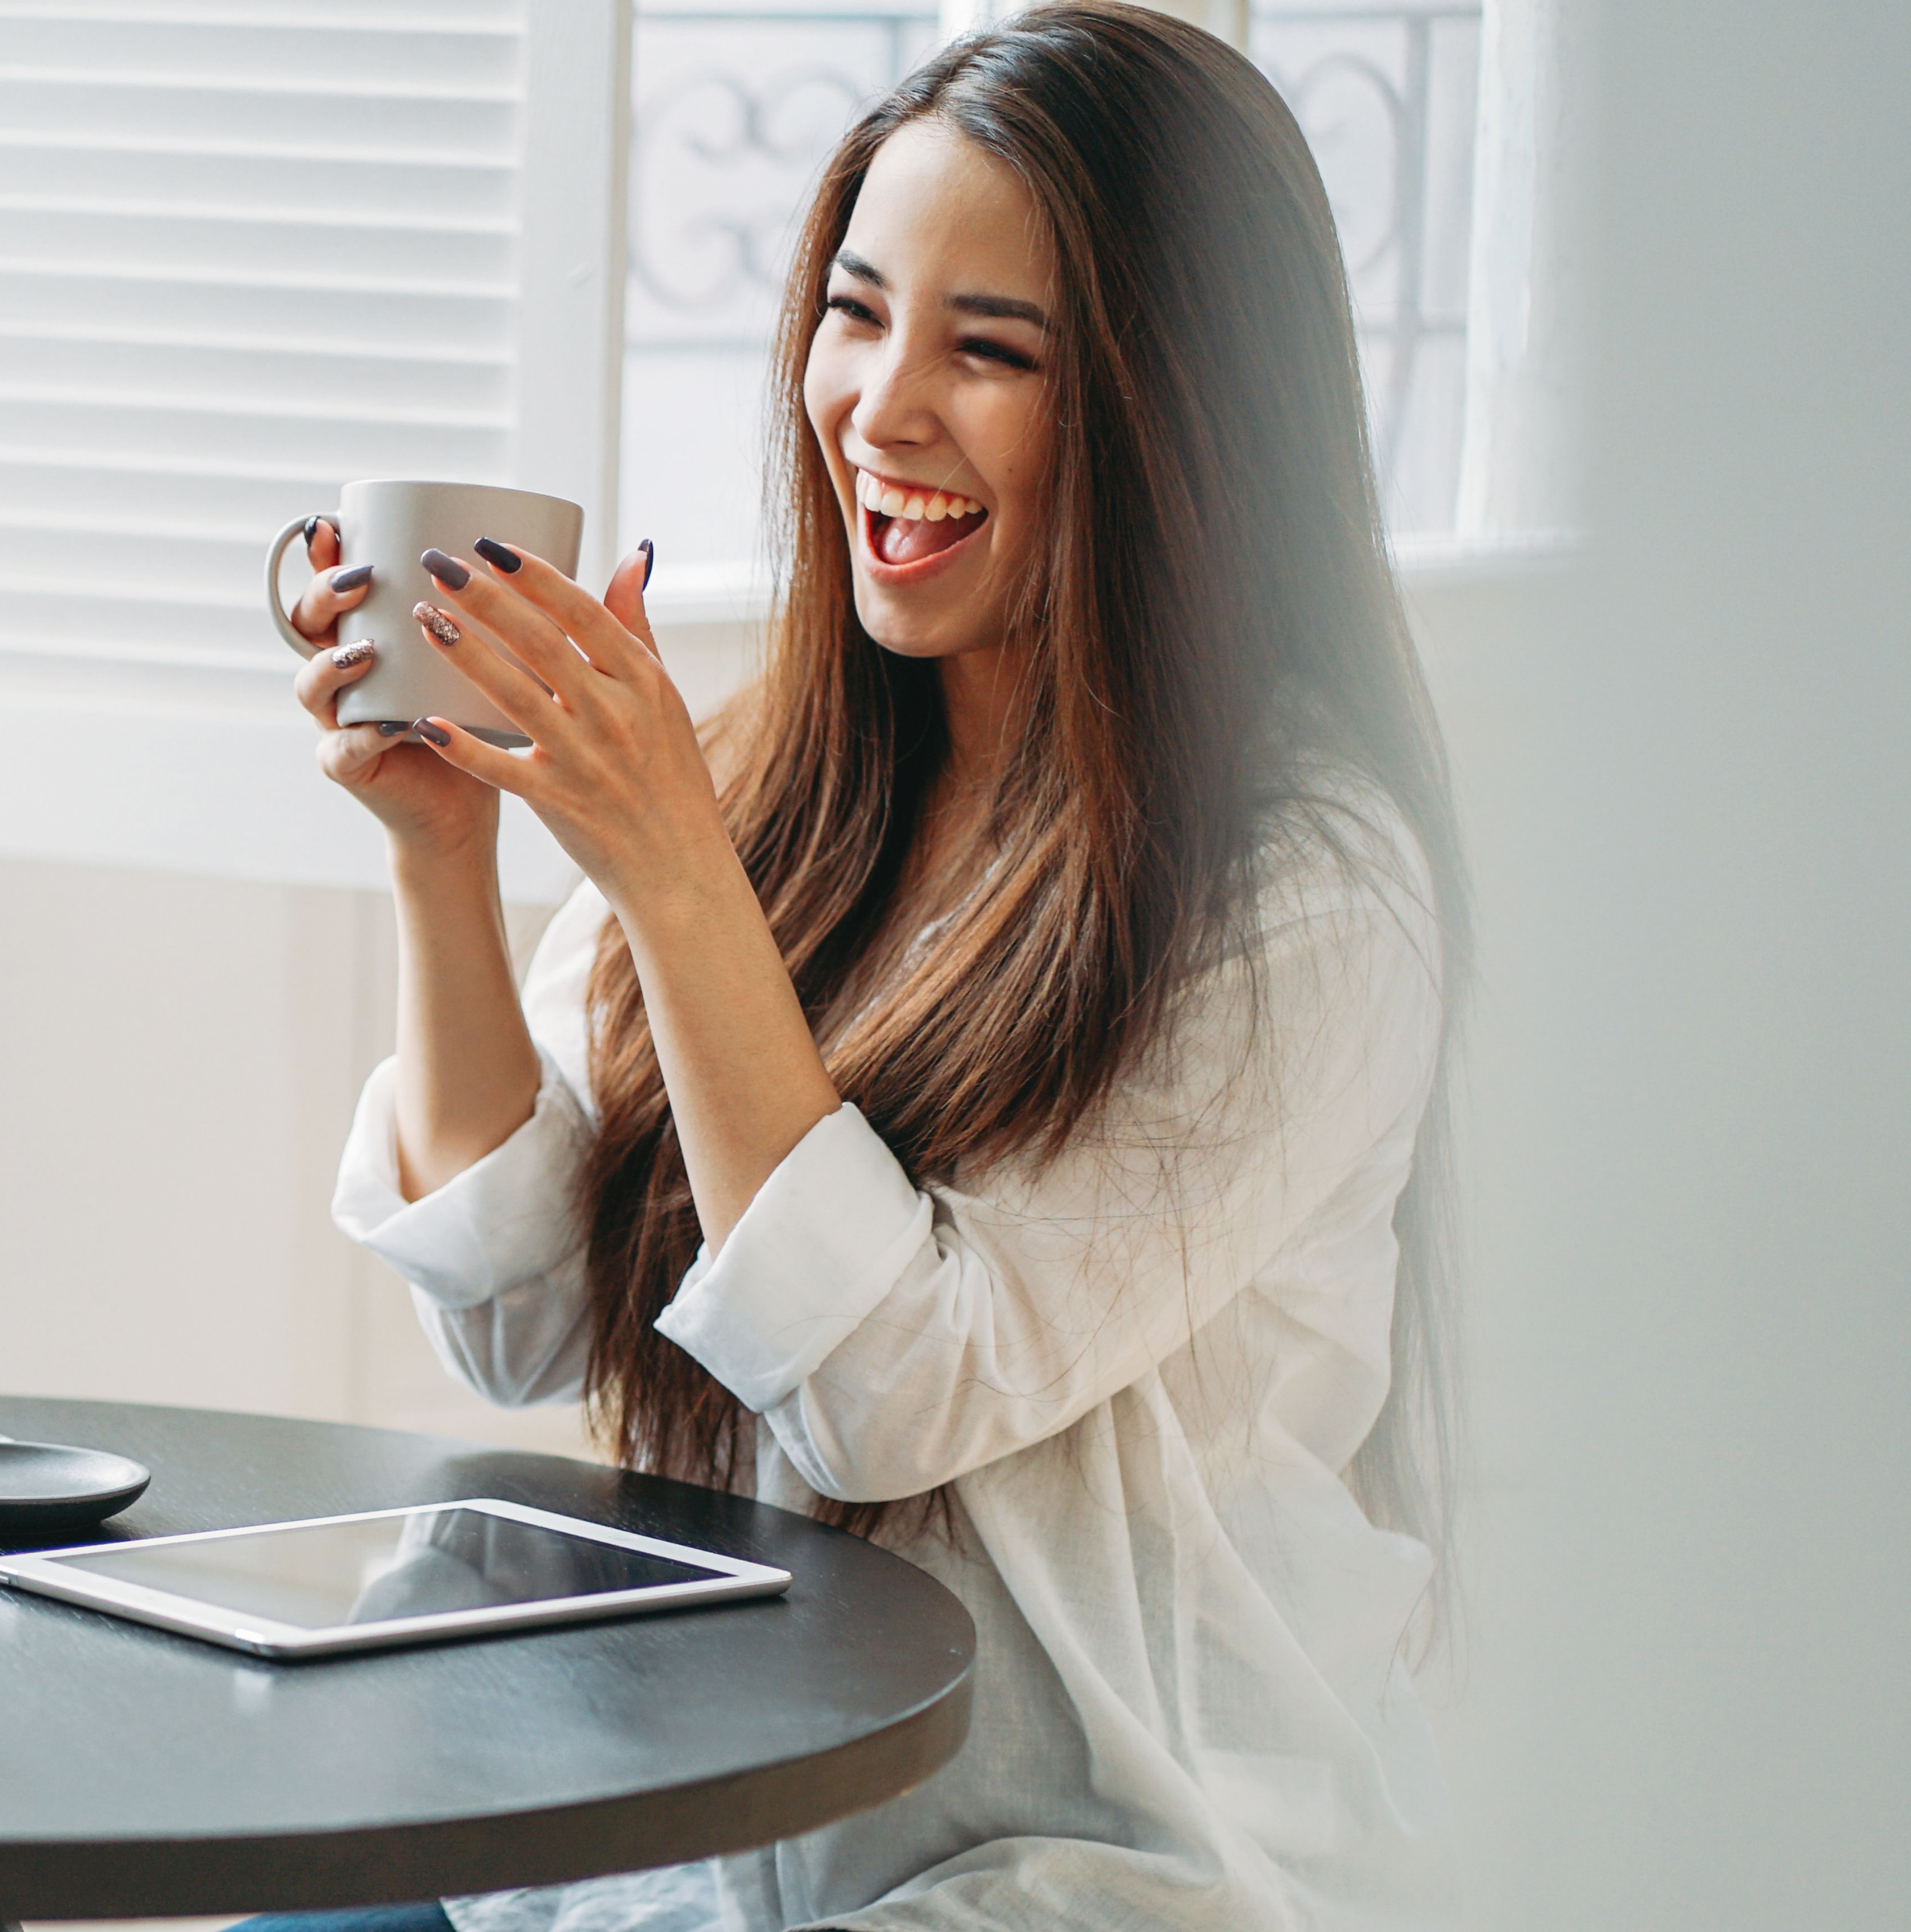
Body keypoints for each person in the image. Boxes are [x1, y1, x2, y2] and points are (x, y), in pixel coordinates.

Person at [265, 7, 1460, 1928]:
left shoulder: (1309, 897)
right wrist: (444, 854)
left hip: (1092, 1857)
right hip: (711, 1817)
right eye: (854, 313)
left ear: (1185, 410)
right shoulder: (782, 775)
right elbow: (530, 1319)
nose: (881, 411)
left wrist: (670, 875)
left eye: (993, 351)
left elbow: (893, 1396)